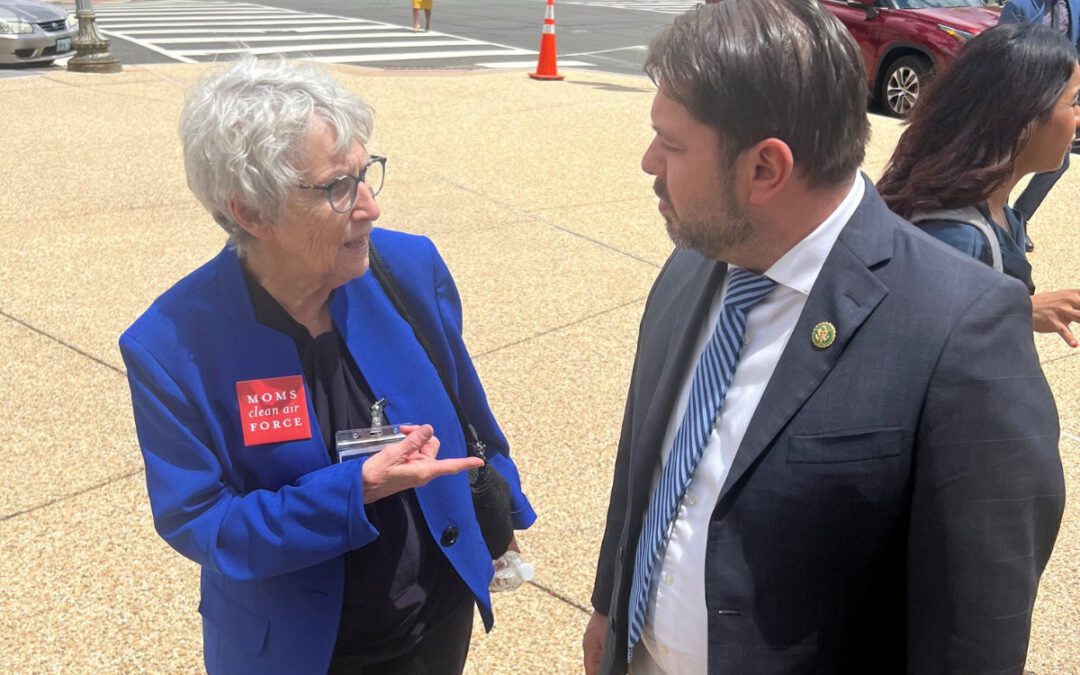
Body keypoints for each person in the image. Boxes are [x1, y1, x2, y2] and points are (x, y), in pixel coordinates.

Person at [582, 1, 1064, 673]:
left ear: (764, 170)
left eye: (672, 141)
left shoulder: (961, 331)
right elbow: (646, 461)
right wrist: (613, 606)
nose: (648, 161)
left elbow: (973, 629)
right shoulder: (692, 263)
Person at [120, 57, 535, 674]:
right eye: (337, 187)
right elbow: (203, 523)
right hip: (302, 651)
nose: (368, 206)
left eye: (366, 174)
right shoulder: (172, 344)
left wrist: (503, 516)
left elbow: (467, 407)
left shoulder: (408, 268)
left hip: (437, 621)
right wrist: (353, 491)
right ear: (250, 212)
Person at [878, 23, 1080, 347]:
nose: (1078, 116)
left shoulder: (994, 208)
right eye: (1072, 102)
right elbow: (916, 343)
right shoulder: (956, 237)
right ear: (1022, 119)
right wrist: (1020, 312)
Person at [998, 0, 1080, 234]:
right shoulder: (1019, 6)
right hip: (1021, 96)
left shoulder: (1075, 6)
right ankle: (999, 217)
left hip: (1056, 97)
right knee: (1006, 157)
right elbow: (1006, 55)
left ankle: (1020, 219)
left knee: (1060, 162)